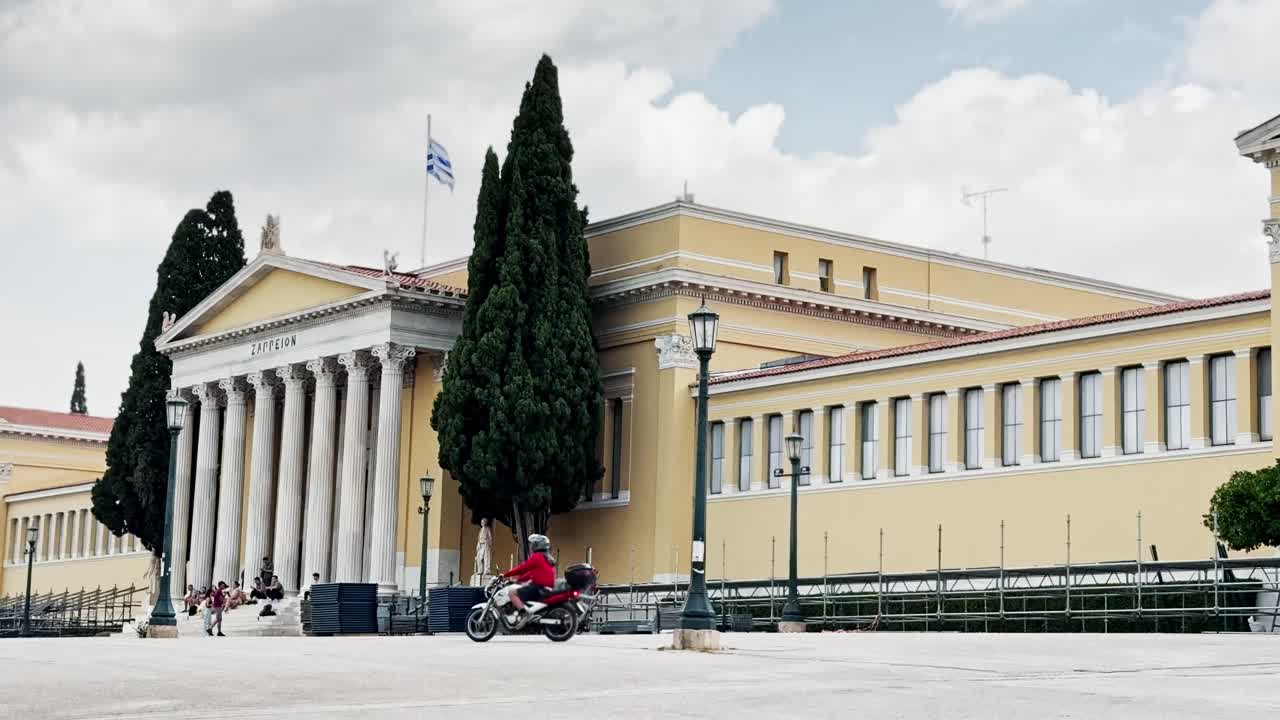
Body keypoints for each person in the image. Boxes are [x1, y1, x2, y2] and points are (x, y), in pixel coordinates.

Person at [501, 534, 556, 617]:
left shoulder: (537, 557)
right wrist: (518, 580)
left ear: (536, 545)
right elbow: (531, 573)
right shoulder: (547, 558)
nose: (531, 546)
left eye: (532, 544)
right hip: (546, 588)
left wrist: (505, 575)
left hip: (538, 588)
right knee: (522, 592)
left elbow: (522, 568)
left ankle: (524, 615)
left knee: (512, 593)